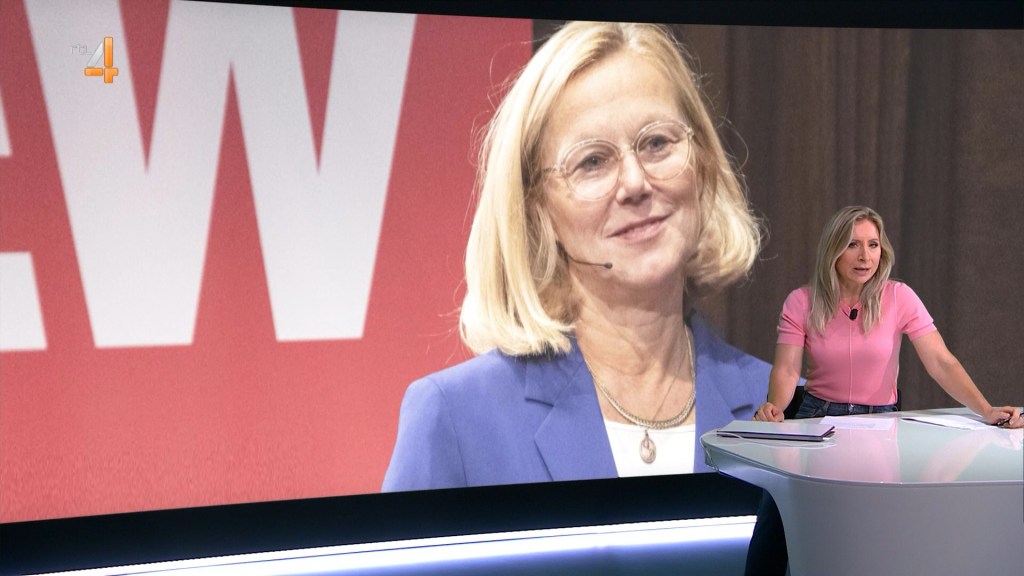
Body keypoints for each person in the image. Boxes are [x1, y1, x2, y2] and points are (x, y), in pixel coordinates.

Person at [382, 21, 771, 492]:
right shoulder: (457, 420)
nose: (635, 183)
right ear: (538, 210)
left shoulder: (790, 416)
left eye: (656, 143)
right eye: (592, 161)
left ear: (703, 162)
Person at [746, 205, 1023, 575]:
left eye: (873, 245)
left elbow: (940, 361)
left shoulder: (899, 297)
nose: (865, 256)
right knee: (778, 512)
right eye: (853, 245)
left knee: (873, 526)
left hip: (880, 422)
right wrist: (776, 406)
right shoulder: (802, 301)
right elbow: (786, 368)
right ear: (833, 250)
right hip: (816, 419)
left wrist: (985, 409)